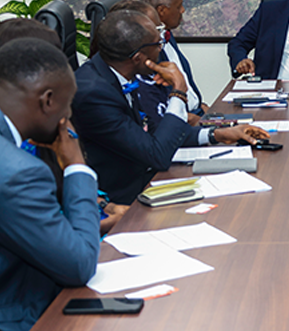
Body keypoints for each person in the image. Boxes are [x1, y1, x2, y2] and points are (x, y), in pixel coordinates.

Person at [71, 10, 269, 205]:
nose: (162, 48)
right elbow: (156, 154)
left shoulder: (116, 73)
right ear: (138, 58)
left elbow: (156, 134)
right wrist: (178, 92)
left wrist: (218, 134)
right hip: (125, 200)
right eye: (158, 44)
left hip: (148, 180)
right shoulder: (94, 93)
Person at [0, 38, 99, 331]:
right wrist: (77, 166)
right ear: (48, 101)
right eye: (68, 106)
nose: (67, 117)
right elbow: (78, 265)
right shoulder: (18, 172)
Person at [0, 18, 129, 235]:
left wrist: (105, 206)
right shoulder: (15, 153)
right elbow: (51, 237)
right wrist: (109, 224)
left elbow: (65, 184)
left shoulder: (46, 122)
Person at [137, 0, 208, 123]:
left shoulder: (167, 34)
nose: (182, 10)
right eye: (178, 5)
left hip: (197, 114)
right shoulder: (147, 51)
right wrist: (202, 124)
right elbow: (160, 109)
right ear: (162, 10)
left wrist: (203, 108)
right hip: (181, 124)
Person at [109, 0, 176, 133]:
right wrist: (179, 91)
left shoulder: (149, 73)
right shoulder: (132, 85)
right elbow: (161, 137)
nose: (161, 40)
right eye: (156, 31)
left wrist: (212, 134)